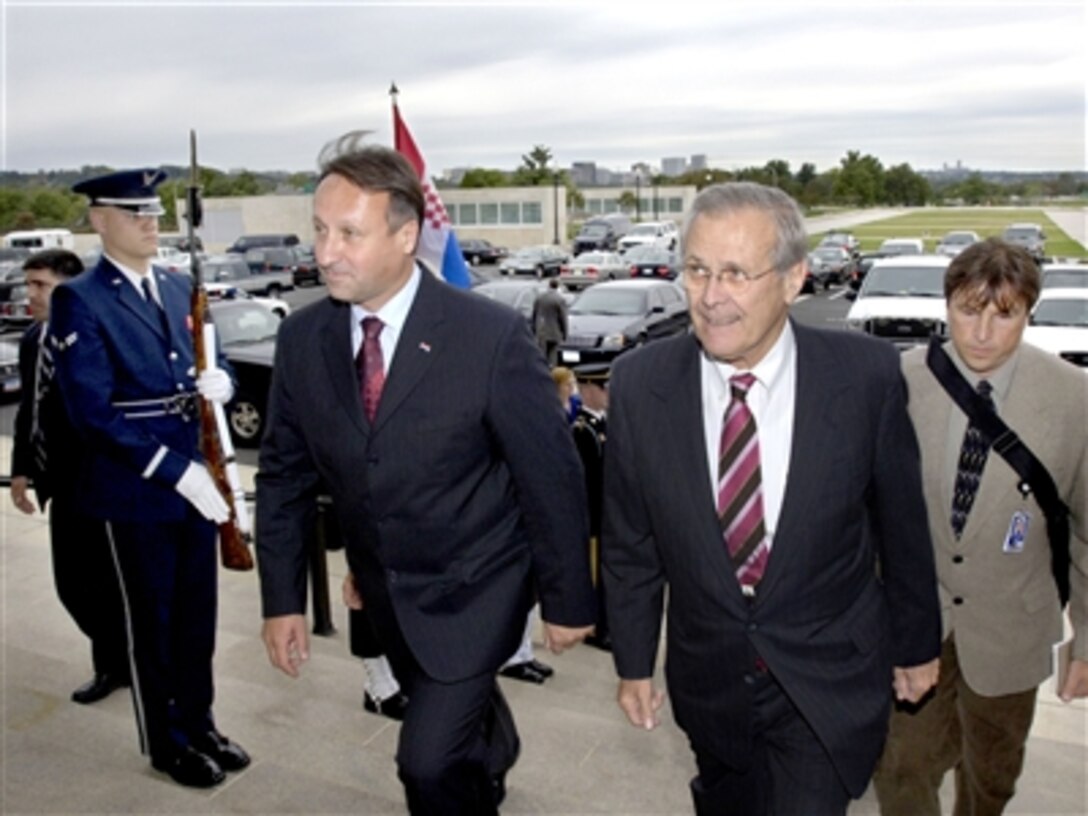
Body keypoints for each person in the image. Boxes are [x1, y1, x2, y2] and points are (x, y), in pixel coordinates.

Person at [256, 140, 595, 815]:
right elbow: (284, 479)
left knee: (427, 763)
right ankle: (491, 744)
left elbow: (550, 478)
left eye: (349, 233)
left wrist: (568, 600)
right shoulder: (302, 340)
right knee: (454, 717)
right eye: (320, 230)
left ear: (407, 235)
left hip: (478, 587)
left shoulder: (489, 337)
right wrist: (282, 600)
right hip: (385, 591)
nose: (325, 252)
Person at [601, 181, 942, 815]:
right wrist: (634, 662)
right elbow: (630, 545)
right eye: (697, 269)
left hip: (826, 678)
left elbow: (901, 525)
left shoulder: (865, 376)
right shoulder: (641, 384)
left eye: (735, 273)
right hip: (711, 680)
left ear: (793, 279)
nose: (710, 296)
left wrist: (917, 644)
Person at [49, 169, 250, 789]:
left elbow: (202, 367)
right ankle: (167, 742)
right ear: (98, 220)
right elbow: (92, 412)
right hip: (137, 489)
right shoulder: (80, 298)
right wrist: (174, 471)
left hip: (196, 476)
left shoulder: (171, 285)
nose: (149, 222)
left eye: (154, 211)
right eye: (133, 211)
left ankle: (201, 720)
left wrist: (224, 385)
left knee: (197, 615)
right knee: (153, 620)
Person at [874, 238, 1088, 816]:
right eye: (969, 310)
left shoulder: (1075, 398)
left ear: (1028, 313)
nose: (983, 333)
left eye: (1005, 314)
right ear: (946, 306)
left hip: (1011, 631)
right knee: (900, 768)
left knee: (991, 776)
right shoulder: (898, 383)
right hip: (916, 624)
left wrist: (1087, 642)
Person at [9, 249, 130, 704]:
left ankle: (118, 665)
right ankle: (119, 657)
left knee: (106, 583)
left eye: (40, 285)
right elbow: (30, 409)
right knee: (73, 587)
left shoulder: (97, 338)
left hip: (102, 482)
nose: (30, 295)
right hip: (60, 484)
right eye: (29, 285)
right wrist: (22, 468)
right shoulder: (32, 340)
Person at [571, 362, 611, 650]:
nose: (608, 394)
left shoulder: (604, 425)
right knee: (595, 573)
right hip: (594, 515)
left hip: (609, 514)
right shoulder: (581, 430)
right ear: (586, 390)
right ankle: (596, 627)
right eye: (602, 388)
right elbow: (582, 479)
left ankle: (606, 624)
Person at [531, 277, 568, 366]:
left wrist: (534, 329)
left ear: (549, 285)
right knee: (553, 355)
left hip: (541, 331)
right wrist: (565, 334)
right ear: (557, 286)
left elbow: (534, 314)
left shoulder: (540, 298)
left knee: (541, 355)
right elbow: (563, 318)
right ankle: (552, 372)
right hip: (554, 332)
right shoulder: (559, 299)